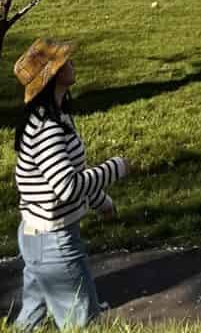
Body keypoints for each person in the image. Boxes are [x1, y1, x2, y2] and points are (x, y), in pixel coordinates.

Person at [11, 39, 130, 328]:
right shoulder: (47, 128)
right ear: (51, 76)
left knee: (30, 322)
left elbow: (71, 175)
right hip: (53, 241)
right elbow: (67, 186)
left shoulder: (58, 117)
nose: (71, 62)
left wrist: (102, 202)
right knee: (84, 324)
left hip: (39, 235)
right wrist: (116, 167)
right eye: (63, 61)